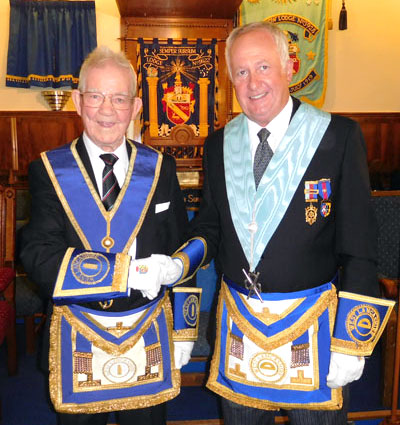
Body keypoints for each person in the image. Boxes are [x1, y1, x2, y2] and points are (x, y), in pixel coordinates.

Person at [158, 21, 394, 425]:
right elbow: (210, 227)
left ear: (290, 67)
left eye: (264, 67)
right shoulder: (219, 144)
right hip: (240, 330)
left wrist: (352, 342)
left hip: (313, 328)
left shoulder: (337, 136)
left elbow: (359, 243)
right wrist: (179, 265)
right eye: (242, 71)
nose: (253, 83)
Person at [19, 46, 199, 425]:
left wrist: (184, 329)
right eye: (96, 97)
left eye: (119, 99)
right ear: (79, 102)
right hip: (77, 334)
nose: (106, 110)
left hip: (147, 335)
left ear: (135, 108)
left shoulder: (160, 168)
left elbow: (180, 247)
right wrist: (126, 273)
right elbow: (39, 255)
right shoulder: (49, 170)